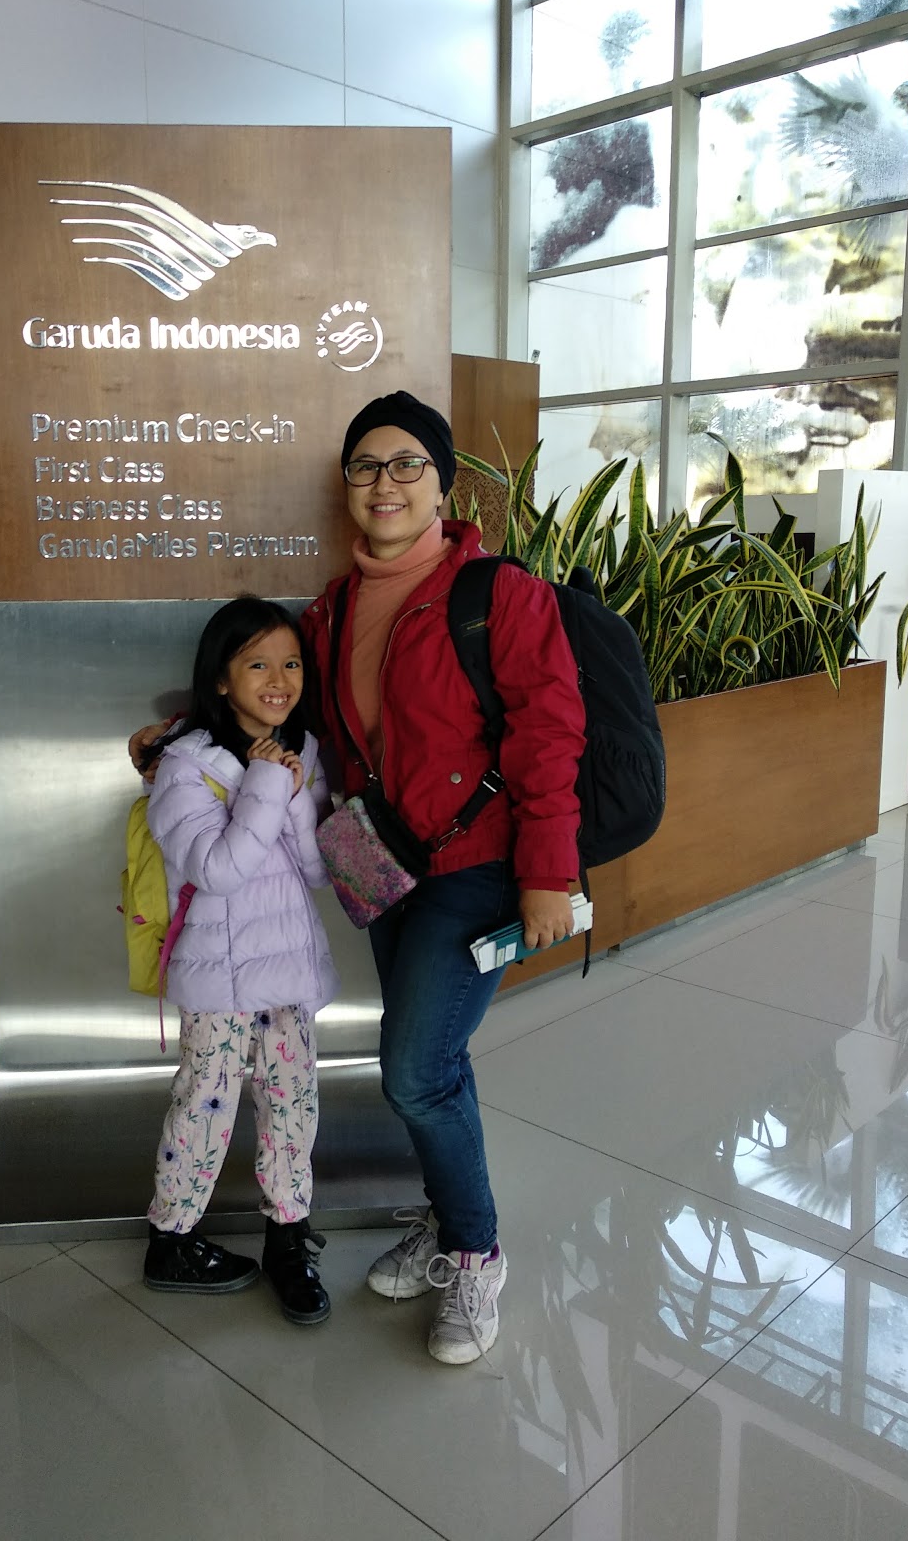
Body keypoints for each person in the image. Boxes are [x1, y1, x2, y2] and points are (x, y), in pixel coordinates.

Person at [133, 391, 586, 1365]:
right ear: (346, 486)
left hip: (478, 867)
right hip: (385, 867)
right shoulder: (331, 612)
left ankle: (475, 1253)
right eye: (366, 466)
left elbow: (549, 735)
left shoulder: (500, 595)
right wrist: (176, 739)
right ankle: (444, 1217)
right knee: (435, 1061)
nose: (385, 483)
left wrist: (549, 871)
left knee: (415, 1071)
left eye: (406, 463)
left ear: (442, 483)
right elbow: (281, 715)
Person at [141, 595, 339, 1326]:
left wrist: (294, 789)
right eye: (257, 665)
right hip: (219, 976)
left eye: (291, 663)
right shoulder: (184, 766)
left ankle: (288, 1239)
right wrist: (267, 783)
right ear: (221, 679)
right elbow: (219, 870)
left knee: (293, 1105)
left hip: (287, 969)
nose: (278, 680)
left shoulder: (303, 751)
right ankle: (171, 1240)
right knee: (205, 1103)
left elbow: (316, 870)